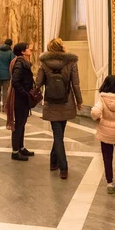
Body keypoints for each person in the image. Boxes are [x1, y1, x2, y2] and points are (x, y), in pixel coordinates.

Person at [36, 38, 83, 180]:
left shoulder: (44, 63)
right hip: (66, 102)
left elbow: (38, 82)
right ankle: (64, 167)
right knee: (59, 134)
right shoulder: (71, 62)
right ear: (60, 47)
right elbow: (75, 84)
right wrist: (79, 101)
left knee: (58, 134)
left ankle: (53, 162)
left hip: (51, 103)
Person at [8, 42, 35, 161]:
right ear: (23, 52)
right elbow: (15, 82)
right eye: (28, 48)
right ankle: (15, 151)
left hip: (22, 98)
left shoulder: (22, 62)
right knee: (18, 125)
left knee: (22, 124)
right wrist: (26, 94)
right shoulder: (20, 63)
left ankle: (21, 147)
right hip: (20, 99)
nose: (30, 50)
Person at [0, 39, 15, 112]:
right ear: (11, 44)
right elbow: (12, 64)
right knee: (5, 91)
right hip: (7, 74)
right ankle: (5, 107)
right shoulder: (10, 53)